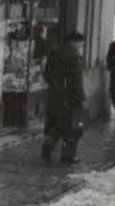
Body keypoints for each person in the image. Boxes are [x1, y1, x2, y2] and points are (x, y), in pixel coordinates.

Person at [41, 32, 86, 164]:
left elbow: (47, 73)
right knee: (74, 126)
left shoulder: (54, 54)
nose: (81, 46)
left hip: (56, 95)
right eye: (80, 43)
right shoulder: (74, 56)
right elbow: (76, 80)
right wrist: (79, 96)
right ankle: (68, 155)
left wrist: (55, 86)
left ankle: (49, 143)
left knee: (57, 124)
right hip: (71, 96)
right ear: (75, 42)